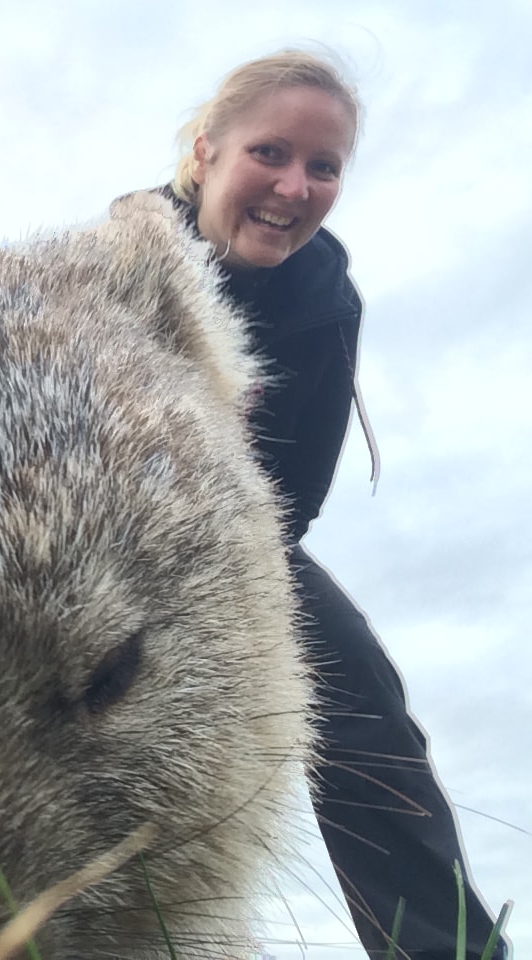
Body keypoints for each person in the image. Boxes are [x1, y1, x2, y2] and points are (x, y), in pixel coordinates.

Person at [140, 50, 510, 960]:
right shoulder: (124, 258)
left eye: (324, 167)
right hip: (91, 532)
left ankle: (445, 947)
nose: (293, 186)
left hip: (241, 541)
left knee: (365, 705)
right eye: (269, 153)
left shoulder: (327, 301)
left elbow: (291, 501)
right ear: (207, 153)